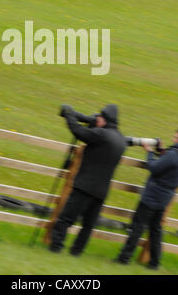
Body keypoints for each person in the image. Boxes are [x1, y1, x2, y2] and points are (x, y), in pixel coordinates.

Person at [49, 104, 126, 256]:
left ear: (104, 118)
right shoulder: (121, 140)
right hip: (102, 190)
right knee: (88, 225)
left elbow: (78, 131)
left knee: (65, 218)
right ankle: (76, 252)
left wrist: (70, 115)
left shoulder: (101, 135)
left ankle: (55, 247)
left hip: (84, 186)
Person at [116, 127, 178, 269]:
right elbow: (170, 165)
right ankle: (154, 263)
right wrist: (162, 152)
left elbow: (154, 167)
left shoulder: (174, 154)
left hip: (152, 196)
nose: (174, 139)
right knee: (156, 230)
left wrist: (150, 153)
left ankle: (124, 258)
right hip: (165, 198)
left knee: (137, 227)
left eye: (176, 137)